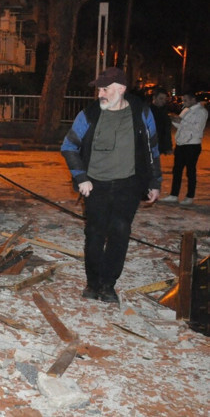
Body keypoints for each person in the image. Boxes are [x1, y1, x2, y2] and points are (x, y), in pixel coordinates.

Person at [61, 67, 161, 304]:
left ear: (121, 89)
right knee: (94, 234)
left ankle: (108, 285)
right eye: (99, 89)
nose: (100, 94)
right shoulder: (89, 114)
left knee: (120, 232)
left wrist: (155, 181)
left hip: (129, 185)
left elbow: (152, 149)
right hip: (96, 186)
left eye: (105, 89)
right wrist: (81, 177)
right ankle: (92, 283)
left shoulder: (141, 112)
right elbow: (69, 146)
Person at [159, 91, 208, 205]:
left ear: (193, 100)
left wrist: (181, 121)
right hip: (181, 144)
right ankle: (174, 194)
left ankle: (190, 196)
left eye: (186, 100)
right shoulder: (186, 110)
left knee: (190, 171)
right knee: (177, 170)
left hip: (192, 144)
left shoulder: (201, 112)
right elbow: (181, 124)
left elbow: (196, 128)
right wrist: (173, 120)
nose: (184, 102)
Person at [149, 88, 173, 155]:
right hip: (149, 147)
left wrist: (168, 147)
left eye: (165, 99)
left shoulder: (163, 111)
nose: (163, 101)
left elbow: (166, 131)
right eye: (161, 98)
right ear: (154, 98)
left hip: (159, 146)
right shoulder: (147, 111)